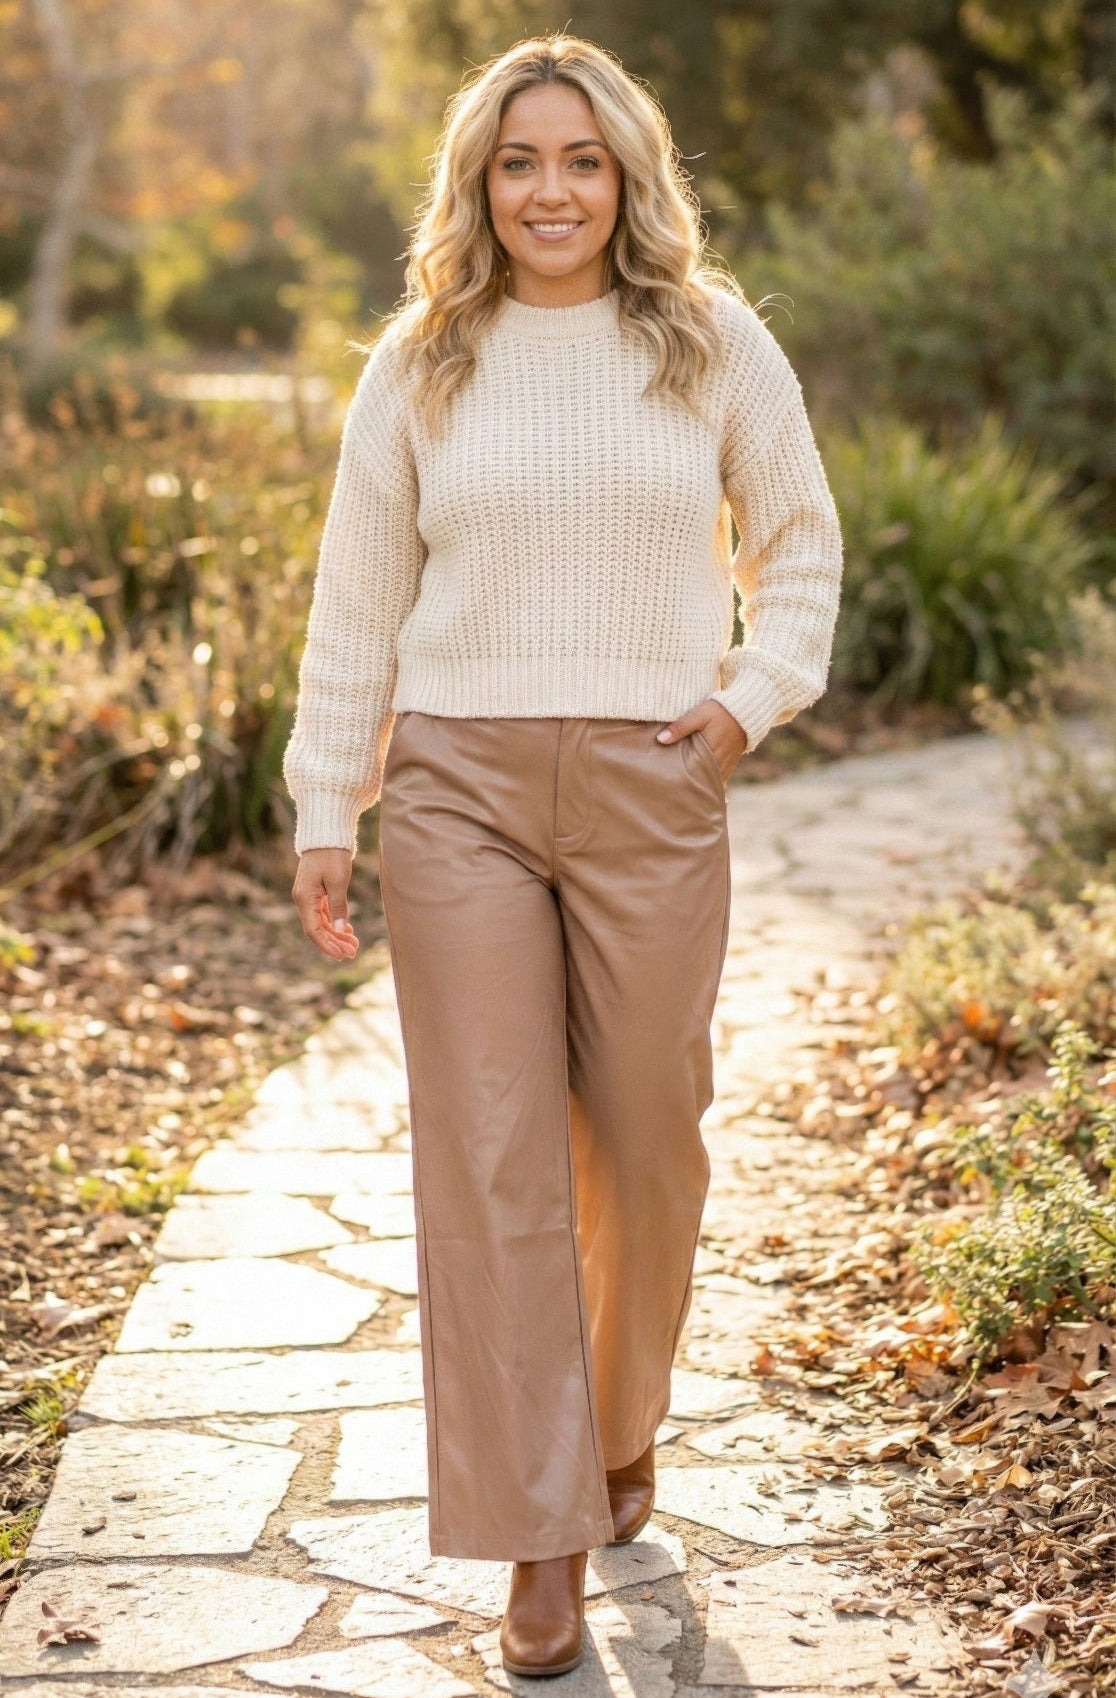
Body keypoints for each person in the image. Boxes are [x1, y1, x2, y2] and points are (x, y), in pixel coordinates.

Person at [283, 32, 844, 1679]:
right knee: (494, 1151)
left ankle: (619, 1422)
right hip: (455, 782)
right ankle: (540, 1534)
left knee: (650, 1139)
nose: (549, 190)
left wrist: (745, 705)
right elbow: (355, 599)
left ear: (626, 178)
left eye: (580, 161)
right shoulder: (424, 358)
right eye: (519, 161)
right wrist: (334, 801)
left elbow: (799, 545)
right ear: (479, 182)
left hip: (653, 779)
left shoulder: (711, 341)